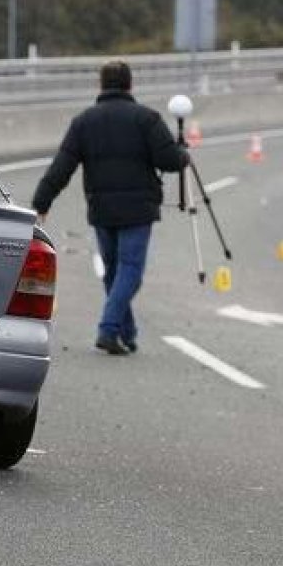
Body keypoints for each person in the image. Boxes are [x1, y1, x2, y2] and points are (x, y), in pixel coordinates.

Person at [31, 60, 187, 356]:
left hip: (101, 208)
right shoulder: (147, 119)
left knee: (114, 272)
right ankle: (108, 328)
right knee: (130, 271)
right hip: (138, 209)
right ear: (130, 85)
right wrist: (183, 155)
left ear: (100, 86)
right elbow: (169, 161)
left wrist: (42, 201)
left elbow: (62, 166)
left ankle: (126, 334)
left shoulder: (84, 122)